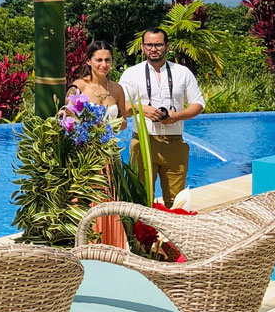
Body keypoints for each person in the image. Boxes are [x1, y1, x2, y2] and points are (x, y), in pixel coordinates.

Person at [118, 28, 205, 207]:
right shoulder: (131, 74)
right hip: (143, 142)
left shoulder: (182, 73)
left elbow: (198, 104)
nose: (153, 48)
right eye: (149, 44)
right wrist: (142, 110)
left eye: (158, 44)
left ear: (167, 46)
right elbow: (121, 107)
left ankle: (175, 234)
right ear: (142, 47)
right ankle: (142, 235)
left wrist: (176, 116)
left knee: (177, 201)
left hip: (174, 142)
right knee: (141, 198)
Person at [68, 40, 128, 130]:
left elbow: (124, 122)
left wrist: (107, 125)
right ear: (88, 61)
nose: (104, 65)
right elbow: (69, 119)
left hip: (110, 143)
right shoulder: (78, 87)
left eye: (107, 60)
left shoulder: (117, 89)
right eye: (99, 60)